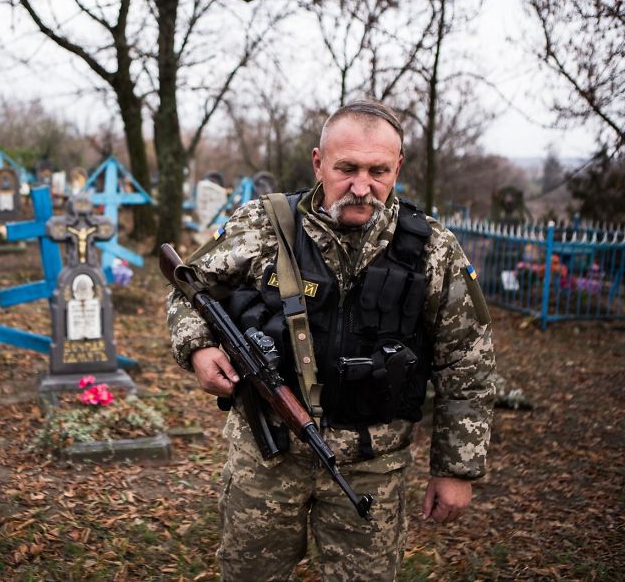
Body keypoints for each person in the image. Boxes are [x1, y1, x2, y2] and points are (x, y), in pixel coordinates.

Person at [166, 99, 495, 581]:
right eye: (347, 168)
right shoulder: (264, 226)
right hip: (268, 455)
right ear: (319, 162)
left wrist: (456, 468)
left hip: (372, 464)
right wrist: (197, 347)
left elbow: (467, 359)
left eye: (379, 170)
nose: (362, 186)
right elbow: (186, 286)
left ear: (398, 166)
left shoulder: (432, 249)